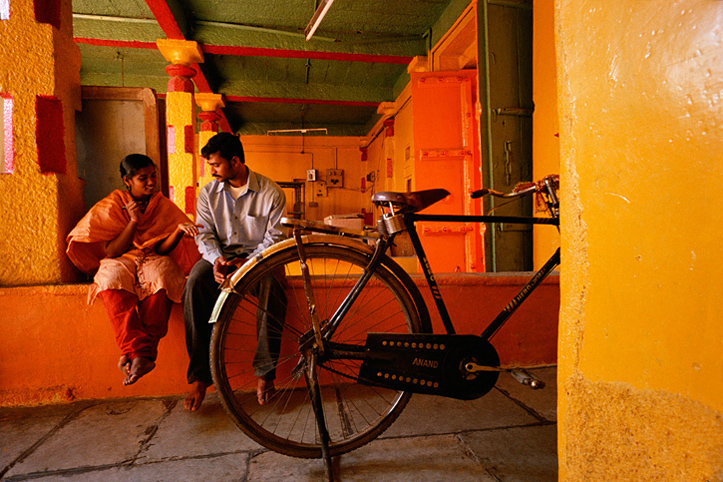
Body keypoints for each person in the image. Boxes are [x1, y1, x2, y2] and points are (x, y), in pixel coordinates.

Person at [67, 154, 200, 385]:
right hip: (121, 258)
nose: (151, 182)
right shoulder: (112, 205)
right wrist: (133, 221)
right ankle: (142, 354)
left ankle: (136, 354)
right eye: (142, 178)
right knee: (109, 279)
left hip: (152, 257)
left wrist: (178, 231)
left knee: (164, 276)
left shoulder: (162, 205)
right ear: (127, 180)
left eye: (153, 176)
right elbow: (112, 251)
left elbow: (160, 246)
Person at [184, 132, 287, 411]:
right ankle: (200, 378)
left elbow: (274, 239)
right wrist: (216, 260)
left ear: (235, 161)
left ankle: (265, 374)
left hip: (259, 258)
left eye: (216, 165)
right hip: (221, 257)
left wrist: (248, 264)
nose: (211, 170)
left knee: (274, 286)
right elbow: (204, 235)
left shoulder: (271, 192)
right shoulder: (208, 194)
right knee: (194, 283)